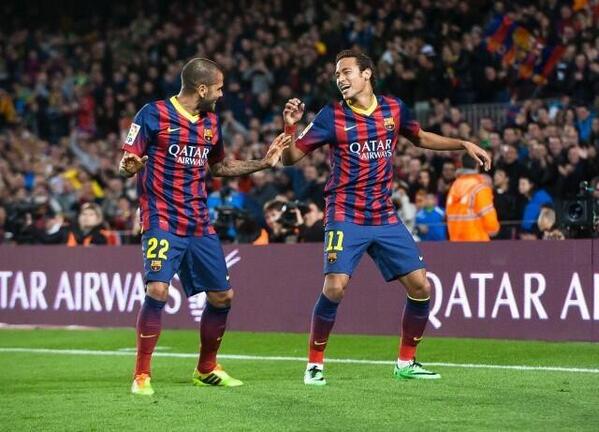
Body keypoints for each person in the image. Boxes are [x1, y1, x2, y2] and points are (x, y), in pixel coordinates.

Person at [281, 49, 491, 385]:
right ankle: (314, 365)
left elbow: (420, 137)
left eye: (346, 72)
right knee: (335, 287)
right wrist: (290, 126)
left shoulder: (393, 108)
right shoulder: (331, 116)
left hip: (383, 214)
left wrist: (462, 144)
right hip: (345, 213)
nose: (340, 79)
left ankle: (406, 362)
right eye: (337, 75)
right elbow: (291, 157)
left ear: (366, 73)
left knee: (421, 286)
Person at [119, 57, 290, 395]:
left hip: (198, 220)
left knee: (223, 296)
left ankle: (206, 368)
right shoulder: (152, 114)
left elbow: (219, 167)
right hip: (161, 217)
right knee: (157, 290)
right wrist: (129, 167)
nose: (221, 94)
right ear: (201, 88)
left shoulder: (211, 122)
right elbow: (126, 163)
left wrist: (264, 163)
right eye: (218, 88)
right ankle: (141, 374)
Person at [446, 153, 500, 241]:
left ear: (461, 164)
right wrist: (494, 229)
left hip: (456, 240)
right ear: (477, 165)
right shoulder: (479, 187)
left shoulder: (455, 186)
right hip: (476, 241)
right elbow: (488, 216)